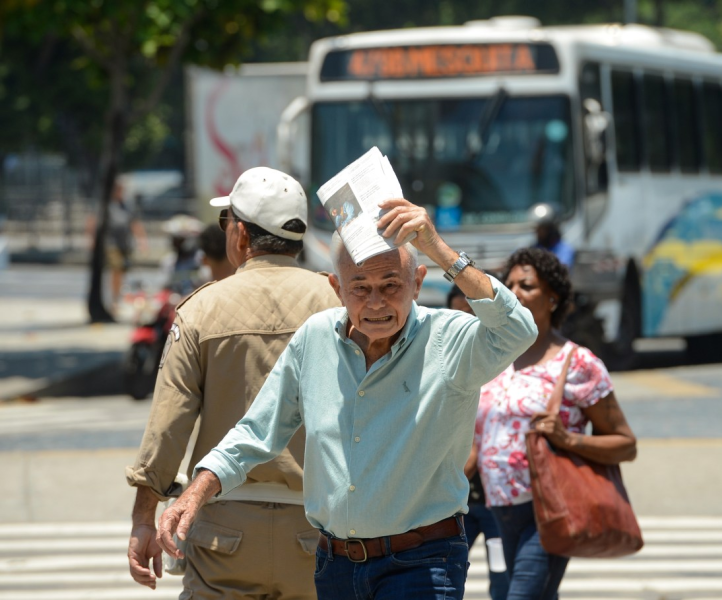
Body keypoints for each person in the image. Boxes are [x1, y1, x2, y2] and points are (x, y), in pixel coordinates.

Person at [155, 198, 539, 600]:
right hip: (335, 565)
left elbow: (517, 331)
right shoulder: (314, 337)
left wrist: (438, 247)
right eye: (360, 288)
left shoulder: (449, 339)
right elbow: (257, 431)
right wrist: (196, 491)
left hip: (423, 561)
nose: (375, 303)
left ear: (418, 282)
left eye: (391, 285)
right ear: (336, 288)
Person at [125, 166, 342, 599]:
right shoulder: (339, 303)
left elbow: (169, 425)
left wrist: (144, 519)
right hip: (318, 526)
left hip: (222, 527)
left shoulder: (202, 309)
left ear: (240, 235)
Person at [474, 247, 637, 600]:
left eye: (527, 286)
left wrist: (567, 439)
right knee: (505, 594)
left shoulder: (577, 363)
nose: (514, 292)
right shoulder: (491, 356)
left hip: (547, 509)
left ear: (553, 299)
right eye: (509, 284)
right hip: (494, 510)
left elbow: (625, 443)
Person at [448, 284, 510, 600]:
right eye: (458, 312)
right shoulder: (443, 366)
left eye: (473, 313)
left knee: (502, 580)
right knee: (447, 578)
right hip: (458, 505)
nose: (466, 320)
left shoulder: (505, 367)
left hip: (497, 502)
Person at [96, 180, 147, 309]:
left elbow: (135, 223)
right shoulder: (107, 205)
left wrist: (142, 241)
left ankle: (116, 296)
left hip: (125, 243)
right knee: (116, 269)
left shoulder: (127, 205)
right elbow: (94, 221)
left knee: (121, 272)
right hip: (111, 243)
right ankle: (114, 299)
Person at [531, 205, 574, 270]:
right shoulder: (534, 248)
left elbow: (562, 270)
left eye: (542, 229)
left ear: (550, 229)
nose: (537, 233)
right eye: (537, 229)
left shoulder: (564, 250)